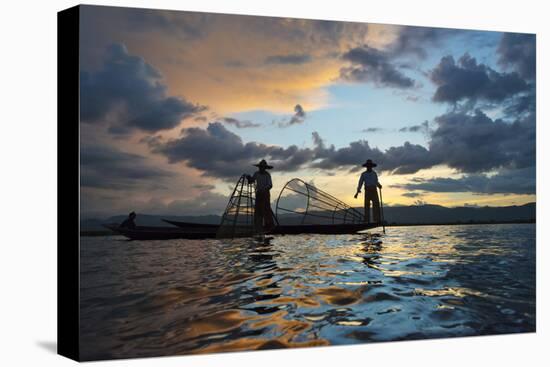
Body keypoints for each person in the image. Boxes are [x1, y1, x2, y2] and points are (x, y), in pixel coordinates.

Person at [247, 160, 275, 233]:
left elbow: (270, 185)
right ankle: (258, 227)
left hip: (265, 193)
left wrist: (264, 190)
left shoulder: (267, 175)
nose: (261, 168)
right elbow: (251, 181)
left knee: (266, 209)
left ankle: (268, 226)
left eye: (263, 167)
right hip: (259, 193)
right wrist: (249, 178)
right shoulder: (256, 174)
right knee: (258, 210)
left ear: (265, 168)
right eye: (260, 167)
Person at [354, 159, 382, 223]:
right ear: (366, 167)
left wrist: (379, 185)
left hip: (374, 190)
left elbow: (376, 181)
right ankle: (367, 220)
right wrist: (357, 192)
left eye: (370, 166)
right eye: (368, 166)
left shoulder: (374, 174)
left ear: (371, 166)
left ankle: (377, 219)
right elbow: (360, 183)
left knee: (376, 204)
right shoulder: (363, 174)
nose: (369, 167)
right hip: (367, 190)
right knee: (367, 205)